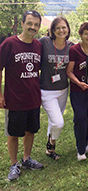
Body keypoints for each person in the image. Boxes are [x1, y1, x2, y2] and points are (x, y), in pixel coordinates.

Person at [0, 10, 44, 181]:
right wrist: (1, 95)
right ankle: (14, 164)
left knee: (30, 130)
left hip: (33, 97)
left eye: (36, 24)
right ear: (23, 23)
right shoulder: (9, 44)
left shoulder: (38, 46)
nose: (33, 27)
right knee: (13, 133)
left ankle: (26, 159)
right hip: (14, 98)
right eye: (30, 23)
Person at [39, 17, 73, 160]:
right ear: (52, 30)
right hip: (46, 90)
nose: (61, 30)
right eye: (58, 28)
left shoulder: (71, 46)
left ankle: (50, 149)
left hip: (63, 89)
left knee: (54, 120)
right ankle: (51, 143)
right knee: (58, 122)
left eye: (64, 27)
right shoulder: (44, 42)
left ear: (68, 29)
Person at [67, 22, 88, 161]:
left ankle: (84, 145)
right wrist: (79, 83)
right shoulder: (74, 49)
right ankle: (80, 151)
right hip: (77, 90)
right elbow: (69, 71)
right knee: (80, 117)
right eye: (86, 33)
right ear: (81, 34)